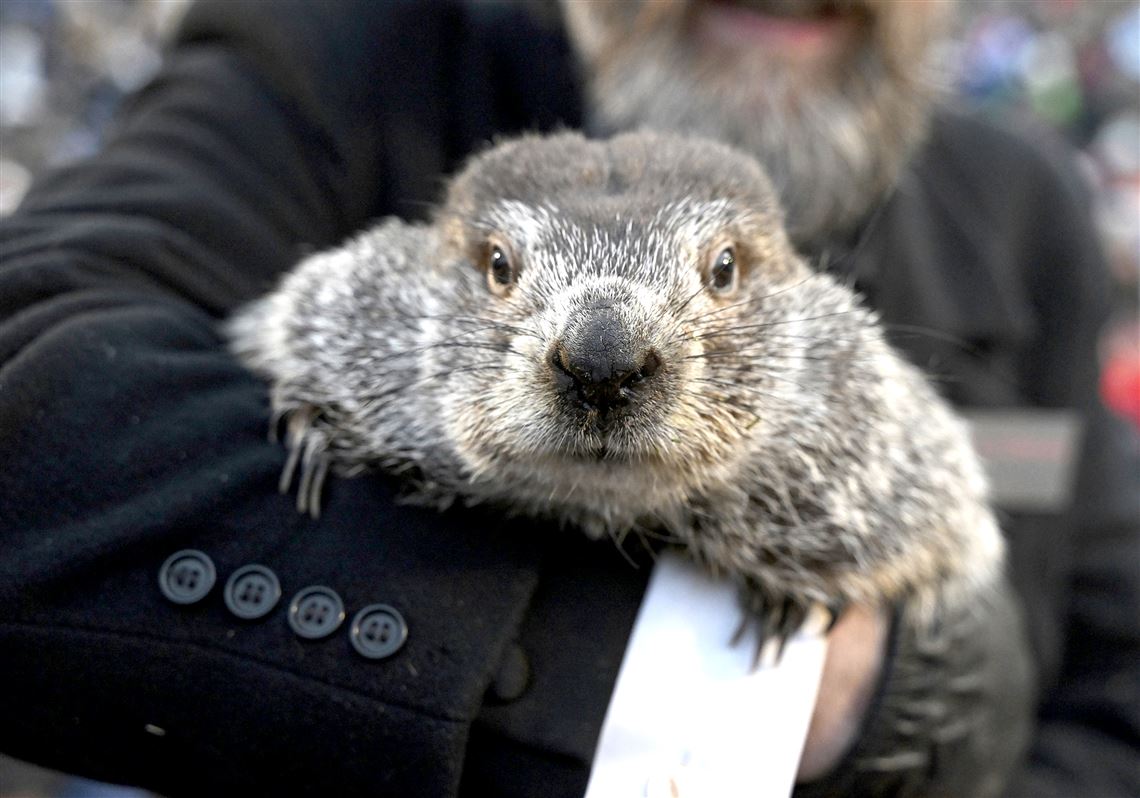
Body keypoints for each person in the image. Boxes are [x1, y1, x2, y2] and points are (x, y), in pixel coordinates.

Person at [0, 1, 1135, 795]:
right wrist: (740, 691)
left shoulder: (1023, 205)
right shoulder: (354, 58)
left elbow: (1117, 682)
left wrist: (931, 724)